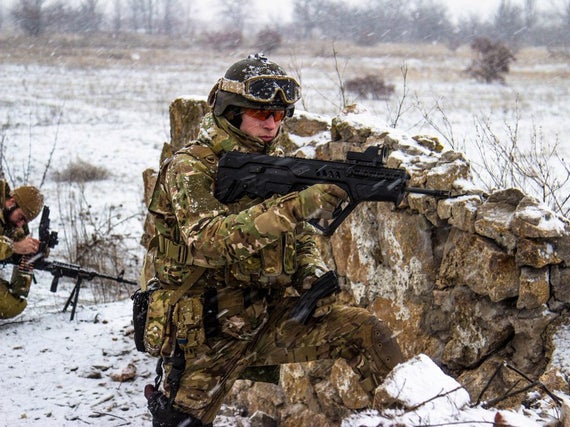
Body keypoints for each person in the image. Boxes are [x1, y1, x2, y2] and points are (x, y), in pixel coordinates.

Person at [142, 54, 404, 426]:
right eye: (262, 115)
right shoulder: (191, 167)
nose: (272, 125)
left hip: (269, 316)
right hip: (208, 331)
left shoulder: (277, 165)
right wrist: (298, 205)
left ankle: (422, 417)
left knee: (367, 331)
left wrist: (310, 273)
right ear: (232, 113)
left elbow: (299, 239)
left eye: (280, 116)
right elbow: (208, 241)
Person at [0, 181, 43, 319]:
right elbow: (14, 246)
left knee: (11, 305)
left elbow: (19, 241)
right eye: (21, 217)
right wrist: (14, 247)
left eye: (25, 221)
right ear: (12, 202)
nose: (20, 224)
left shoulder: (13, 220)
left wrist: (33, 250)